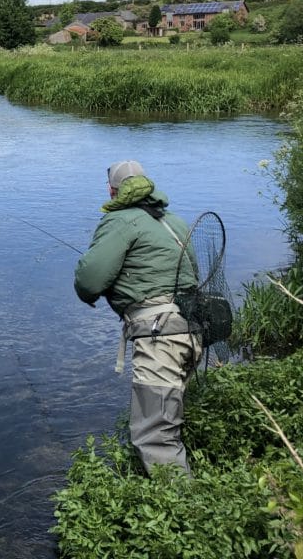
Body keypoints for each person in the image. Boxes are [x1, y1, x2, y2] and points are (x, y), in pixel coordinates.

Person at [73, 160, 201, 475]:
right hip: (191, 332)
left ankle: (183, 516)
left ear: (112, 191)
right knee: (167, 423)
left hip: (161, 340)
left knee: (156, 437)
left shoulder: (120, 220)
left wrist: (93, 293)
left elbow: (89, 280)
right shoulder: (174, 221)